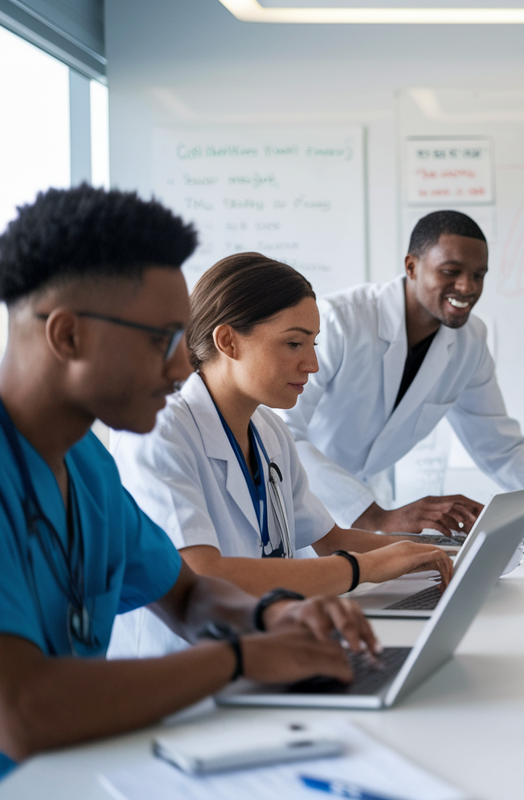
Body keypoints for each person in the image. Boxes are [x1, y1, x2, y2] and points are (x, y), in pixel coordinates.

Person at [0, 186, 378, 798]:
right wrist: (241, 658)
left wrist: (273, 615)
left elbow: (185, 594)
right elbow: (22, 712)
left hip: (84, 774)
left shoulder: (87, 464)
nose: (183, 369)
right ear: (68, 336)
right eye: (162, 341)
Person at [109, 253, 455, 658]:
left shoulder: (269, 430)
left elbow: (331, 540)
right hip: (177, 669)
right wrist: (363, 568)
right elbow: (202, 575)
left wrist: (435, 554)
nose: (311, 363)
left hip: (262, 654)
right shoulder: (159, 430)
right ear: (228, 341)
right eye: (294, 343)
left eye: (313, 344)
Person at [280, 210, 524, 536]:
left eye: (479, 275)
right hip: (298, 502)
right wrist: (374, 516)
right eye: (451, 271)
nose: (467, 286)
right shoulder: (337, 323)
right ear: (411, 267)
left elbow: (495, 443)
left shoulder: (470, 341)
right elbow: (281, 433)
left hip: (366, 508)